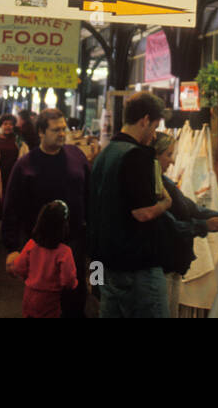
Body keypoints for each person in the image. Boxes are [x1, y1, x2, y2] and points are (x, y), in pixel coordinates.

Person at [88, 91, 171, 318]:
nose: (154, 135)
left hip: (107, 263)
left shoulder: (104, 154)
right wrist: (166, 202)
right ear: (145, 120)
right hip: (137, 269)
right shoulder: (137, 155)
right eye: (154, 126)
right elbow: (143, 213)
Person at [2, 107, 91, 316]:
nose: (62, 134)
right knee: (44, 302)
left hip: (74, 242)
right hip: (41, 247)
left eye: (64, 129)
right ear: (41, 132)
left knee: (75, 296)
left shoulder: (77, 156)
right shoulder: (25, 165)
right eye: (55, 130)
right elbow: (11, 207)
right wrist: (11, 247)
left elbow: (89, 195)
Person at [152, 132, 218, 317]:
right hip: (161, 267)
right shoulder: (154, 186)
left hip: (172, 266)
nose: (171, 162)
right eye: (168, 155)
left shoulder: (166, 183)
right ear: (155, 155)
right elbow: (169, 226)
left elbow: (192, 208)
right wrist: (204, 226)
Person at [6, 201, 78, 318]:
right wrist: (74, 284)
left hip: (29, 296)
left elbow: (19, 267)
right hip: (50, 299)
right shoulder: (64, 252)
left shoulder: (31, 245)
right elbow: (68, 280)